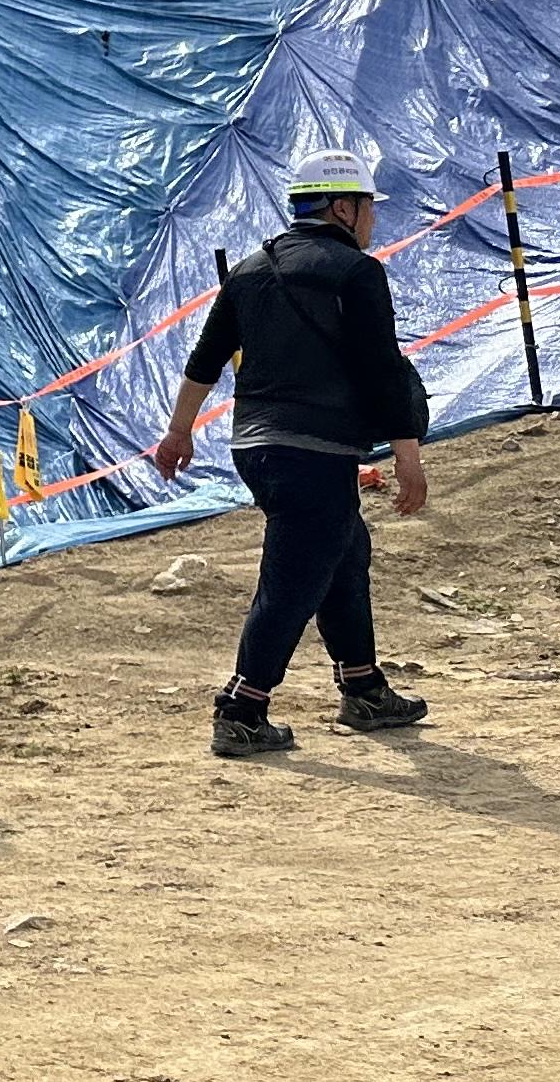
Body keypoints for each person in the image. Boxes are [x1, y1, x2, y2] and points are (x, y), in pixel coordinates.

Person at [150, 147, 432, 759]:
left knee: (344, 551)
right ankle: (242, 710)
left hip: (257, 447)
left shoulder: (251, 270)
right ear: (342, 208)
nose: (373, 219)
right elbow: (382, 370)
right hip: (313, 450)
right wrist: (408, 455)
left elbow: (205, 358)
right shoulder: (356, 272)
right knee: (294, 578)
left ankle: (363, 687)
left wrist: (178, 433)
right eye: (368, 207)